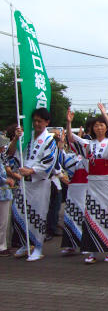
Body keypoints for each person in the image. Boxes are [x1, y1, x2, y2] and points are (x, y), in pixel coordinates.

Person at [66, 103, 108, 264]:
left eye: (101, 125)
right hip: (93, 184)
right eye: (96, 125)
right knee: (92, 217)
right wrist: (68, 123)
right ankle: (93, 251)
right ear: (92, 128)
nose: (99, 128)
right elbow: (72, 139)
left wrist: (105, 114)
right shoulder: (90, 145)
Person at [8, 108, 58, 261]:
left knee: (38, 215)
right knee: (19, 212)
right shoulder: (26, 138)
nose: (36, 124)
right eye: (35, 121)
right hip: (24, 182)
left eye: (40, 121)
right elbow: (11, 154)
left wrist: (32, 170)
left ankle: (38, 246)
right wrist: (16, 139)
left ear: (46, 122)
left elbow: (49, 161)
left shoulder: (49, 139)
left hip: (39, 183)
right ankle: (25, 243)